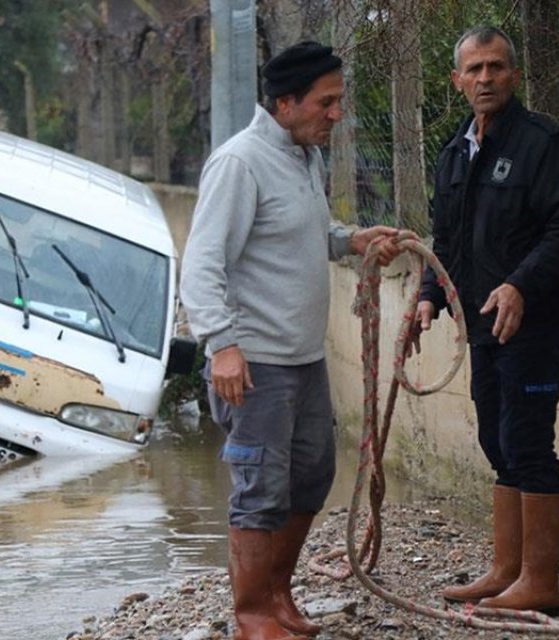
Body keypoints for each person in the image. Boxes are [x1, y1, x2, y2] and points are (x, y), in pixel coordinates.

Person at [180, 41, 410, 640]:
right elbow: (202, 265)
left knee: (309, 477)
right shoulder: (240, 163)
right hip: (253, 363)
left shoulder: (302, 155)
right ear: (285, 103)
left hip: (303, 360)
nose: (336, 114)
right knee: (260, 487)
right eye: (325, 103)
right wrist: (222, 345)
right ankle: (251, 616)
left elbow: (293, 229)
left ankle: (277, 597)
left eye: (338, 102)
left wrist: (348, 239)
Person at [410, 26, 559, 617]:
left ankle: (541, 582)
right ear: (457, 80)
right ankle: (505, 570)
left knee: (527, 441)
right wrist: (428, 297)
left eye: (495, 67)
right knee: (495, 437)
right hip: (482, 325)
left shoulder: (545, 143)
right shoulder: (453, 152)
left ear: (513, 75)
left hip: (533, 321)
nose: (485, 78)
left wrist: (520, 284)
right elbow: (447, 242)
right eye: (474, 69)